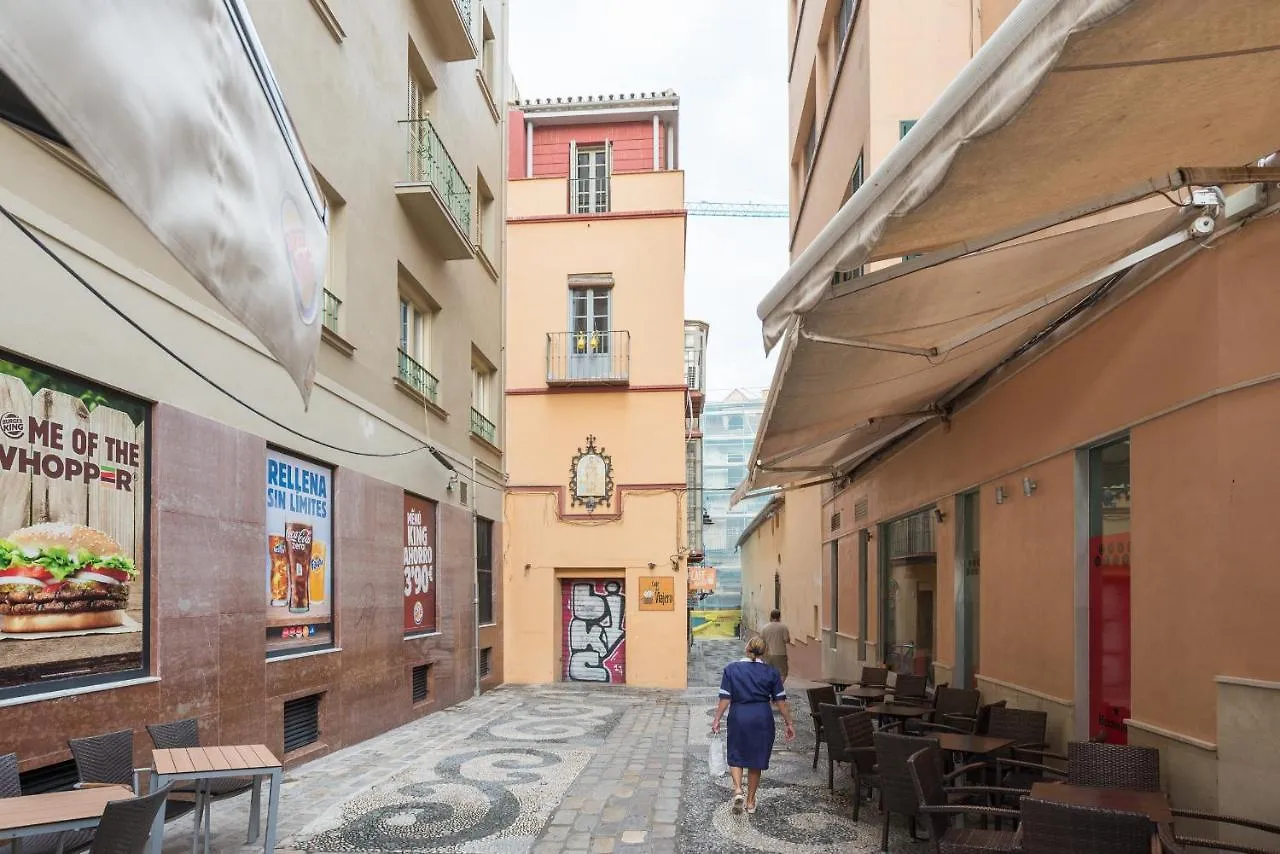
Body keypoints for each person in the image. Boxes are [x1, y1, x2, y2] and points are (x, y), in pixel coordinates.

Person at [710, 636, 796, 815]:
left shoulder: (731, 669)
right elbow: (780, 702)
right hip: (761, 716)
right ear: (765, 652)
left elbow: (725, 698)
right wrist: (789, 723)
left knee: (736, 751)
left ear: (747, 648)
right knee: (756, 758)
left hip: (739, 715)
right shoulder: (771, 672)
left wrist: (717, 718)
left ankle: (738, 790)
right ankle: (750, 801)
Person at [759, 609, 791, 682]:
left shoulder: (765, 628)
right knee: (783, 673)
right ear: (779, 617)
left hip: (767, 654)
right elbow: (787, 640)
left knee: (767, 672)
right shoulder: (783, 627)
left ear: (771, 616)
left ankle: (769, 687)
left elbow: (761, 641)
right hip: (780, 653)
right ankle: (778, 687)